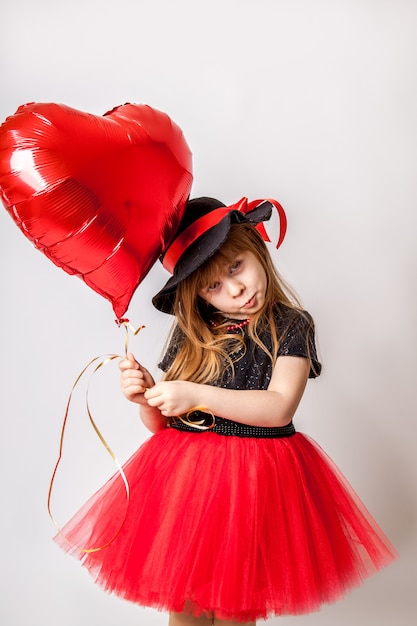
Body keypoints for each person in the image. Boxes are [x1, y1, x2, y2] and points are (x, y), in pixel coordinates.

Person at [55, 196, 398, 625]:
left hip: (255, 485)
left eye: (236, 267)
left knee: (236, 603)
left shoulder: (291, 325)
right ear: (197, 295)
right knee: (185, 606)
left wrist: (194, 394)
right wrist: (149, 398)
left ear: (256, 248)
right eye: (213, 286)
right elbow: (163, 427)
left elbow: (277, 407)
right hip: (189, 487)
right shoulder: (193, 333)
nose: (235, 290)